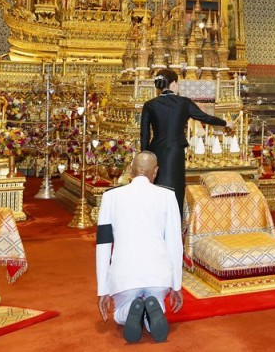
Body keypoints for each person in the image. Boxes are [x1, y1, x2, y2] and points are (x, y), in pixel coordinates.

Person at [96, 152, 184, 343]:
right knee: (158, 303)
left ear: (131, 169)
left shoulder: (111, 196)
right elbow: (175, 243)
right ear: (156, 171)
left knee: (119, 314)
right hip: (158, 276)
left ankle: (128, 310)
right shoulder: (168, 196)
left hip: (125, 276)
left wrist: (103, 289)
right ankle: (153, 312)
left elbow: (103, 244)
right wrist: (176, 285)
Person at [140, 68, 228, 214]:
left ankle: (156, 219)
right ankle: (176, 221)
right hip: (175, 151)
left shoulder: (150, 104)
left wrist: (144, 156)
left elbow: (144, 134)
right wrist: (225, 123)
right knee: (175, 188)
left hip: (155, 152)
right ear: (174, 83)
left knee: (156, 187)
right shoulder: (183, 103)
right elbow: (205, 117)